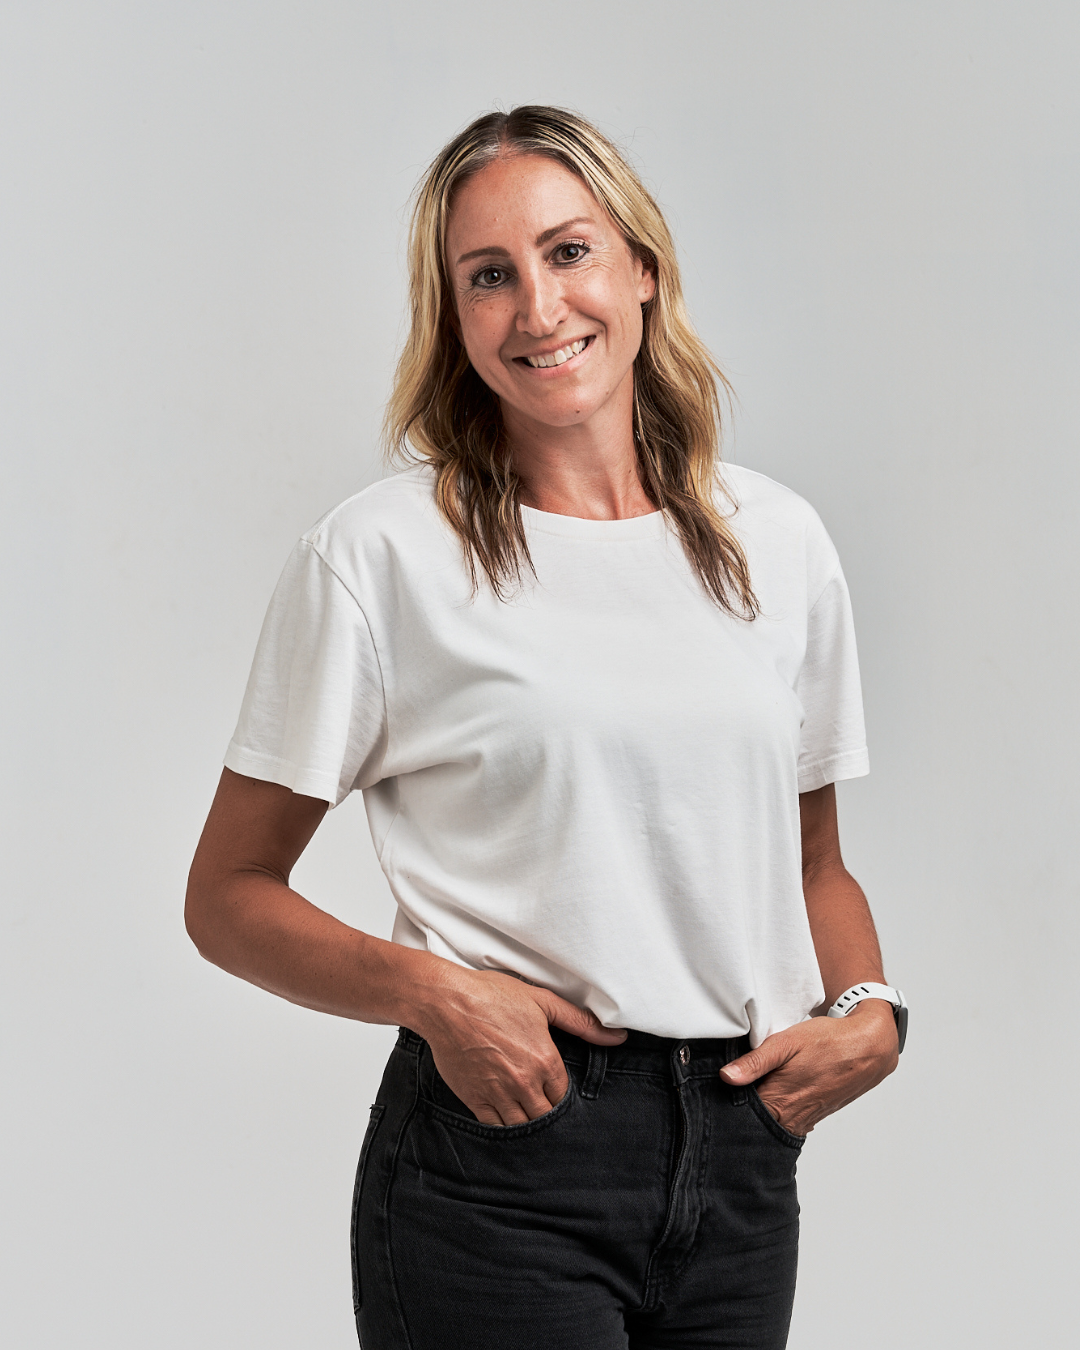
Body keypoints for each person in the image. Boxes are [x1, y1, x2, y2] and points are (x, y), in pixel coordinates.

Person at [186, 105, 904, 1350]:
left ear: (643, 269)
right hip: (504, 1153)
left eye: (569, 252)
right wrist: (437, 997)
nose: (538, 307)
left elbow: (812, 864)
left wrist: (872, 1013)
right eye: (488, 276)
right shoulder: (384, 556)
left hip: (740, 1165)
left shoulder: (776, 540)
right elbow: (227, 895)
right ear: (453, 318)